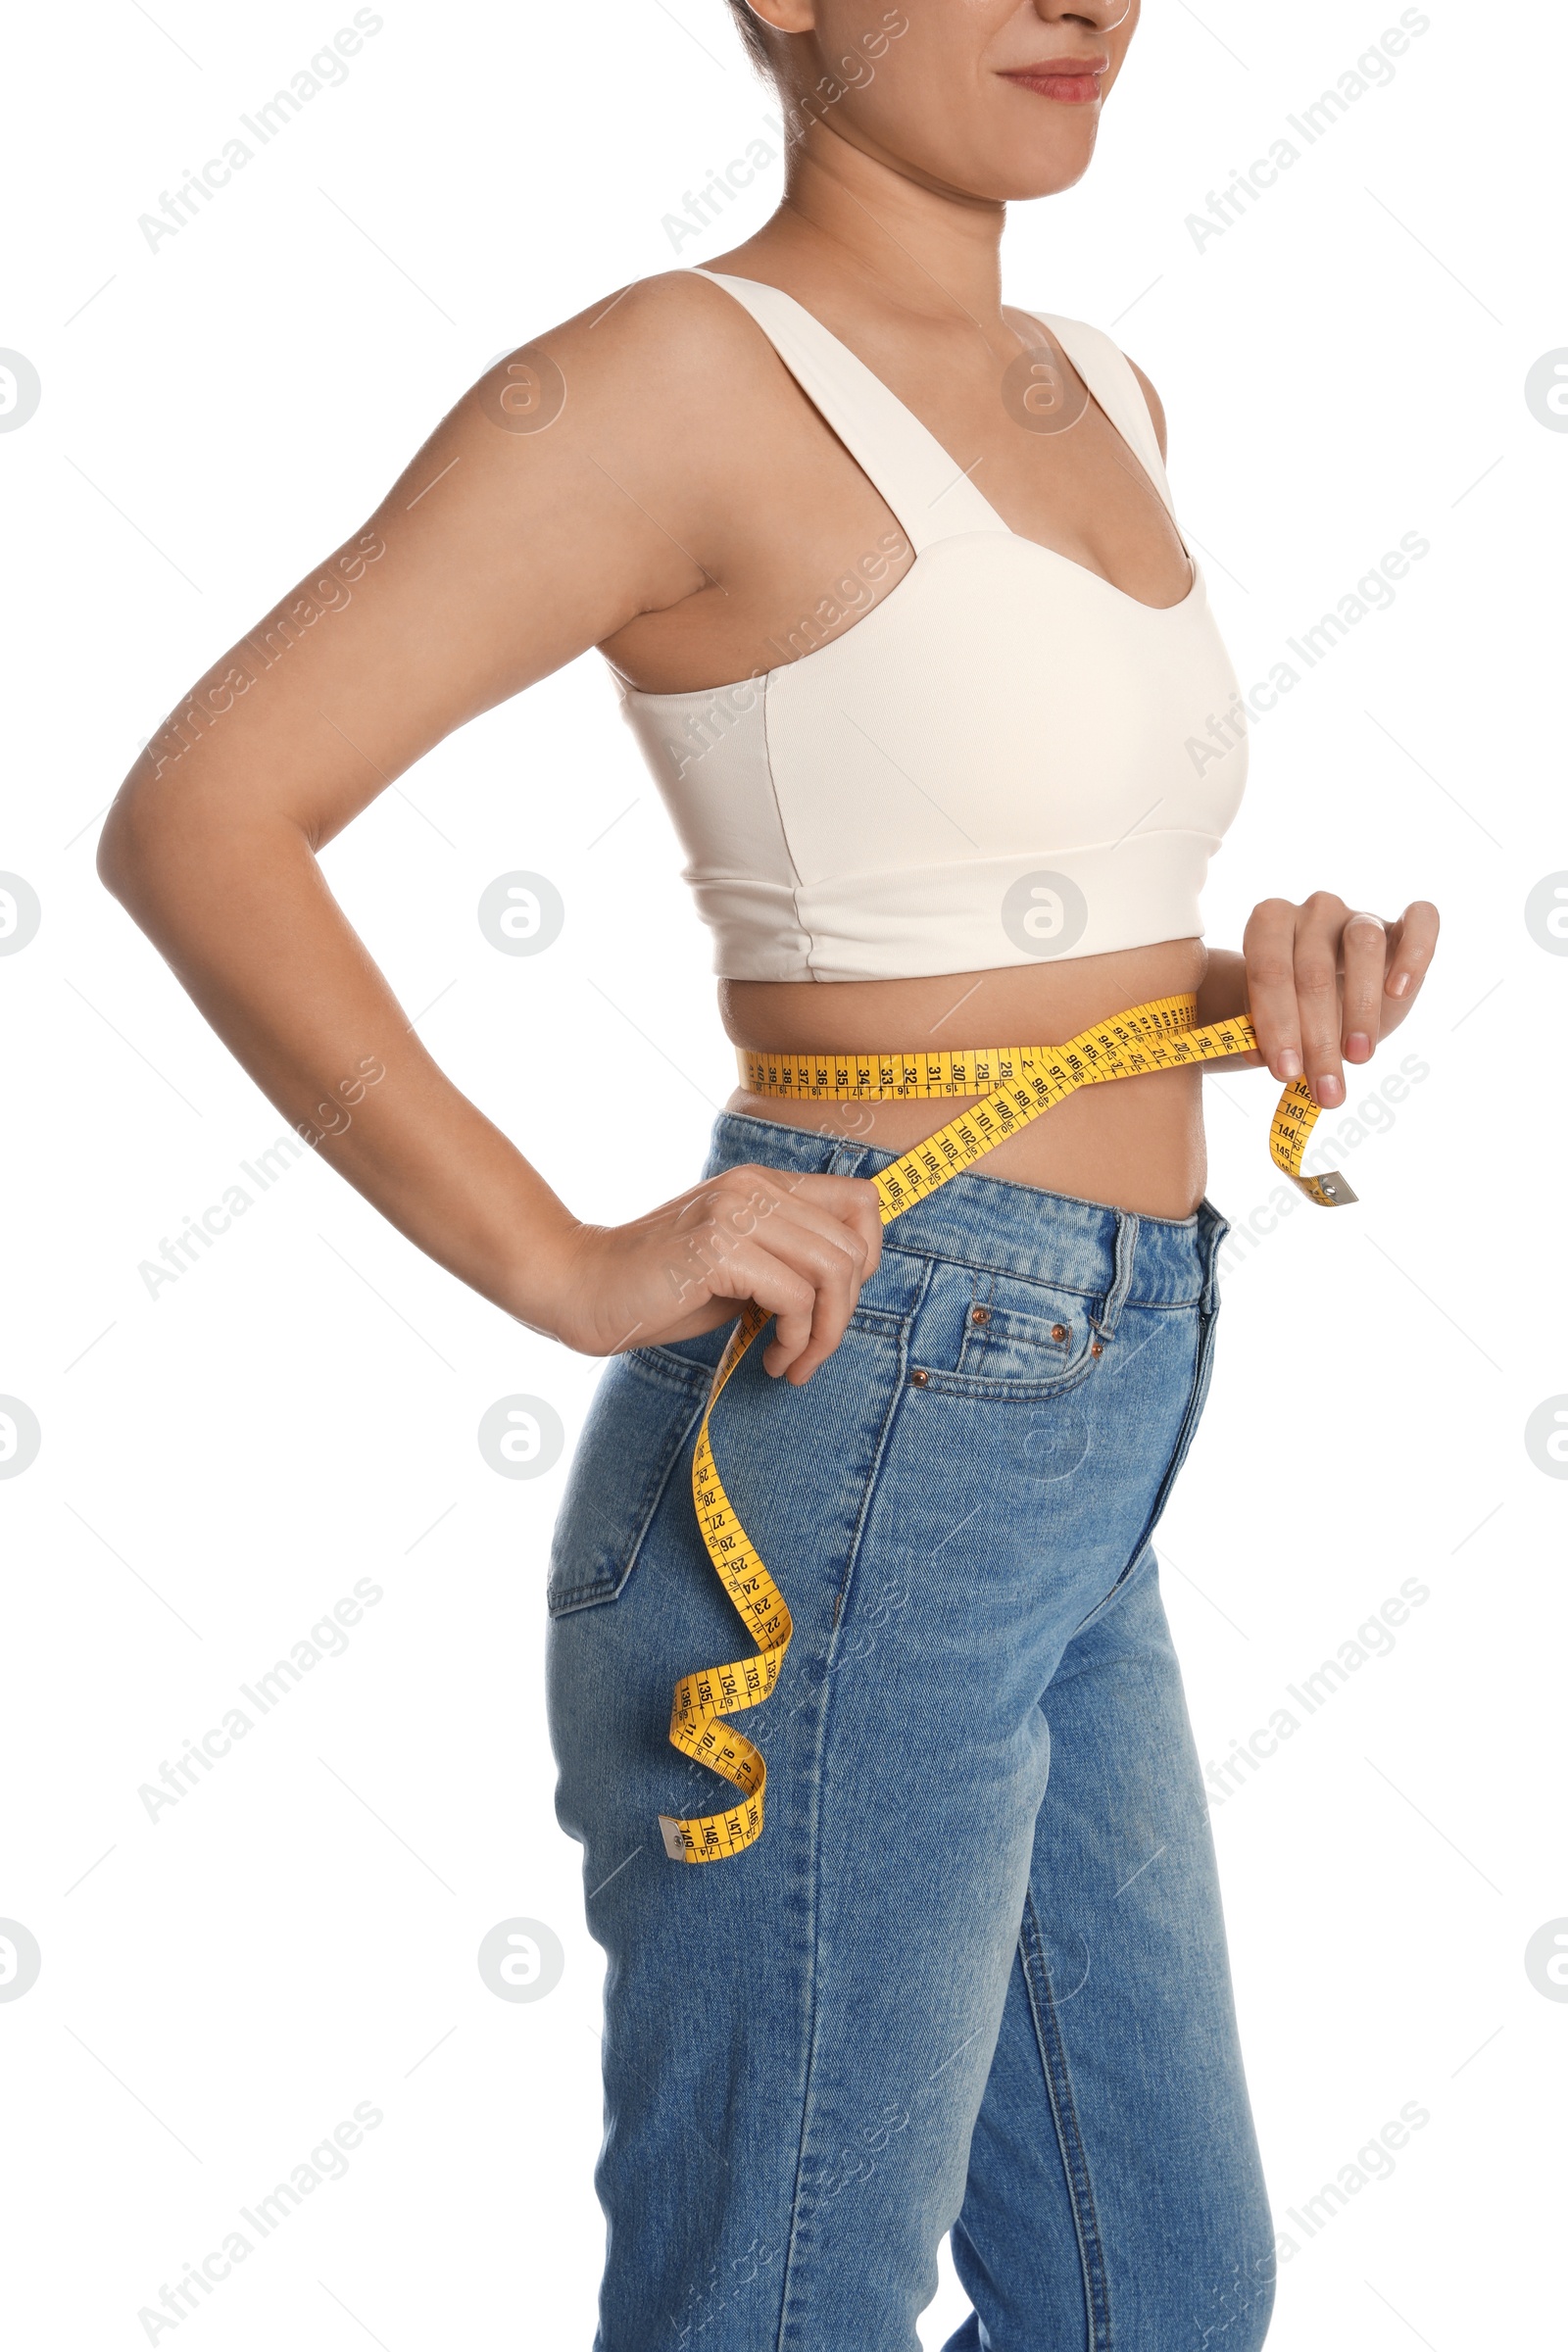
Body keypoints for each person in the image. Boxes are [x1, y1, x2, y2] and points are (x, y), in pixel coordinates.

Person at [98, 3, 1439, 2344]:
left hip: (1084, 1411)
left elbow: (977, 929)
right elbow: (203, 817)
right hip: (868, 1409)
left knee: (1163, 2297)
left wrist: (1246, 979)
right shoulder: (670, 379)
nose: (1079, 6)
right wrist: (558, 1259)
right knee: (784, 2304)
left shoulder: (1103, 387)